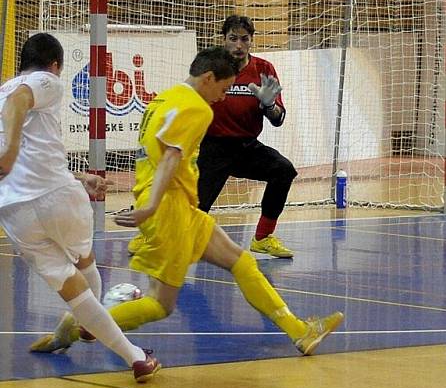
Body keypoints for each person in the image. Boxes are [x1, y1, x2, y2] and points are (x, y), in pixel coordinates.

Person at [31, 46, 343, 355]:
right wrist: (151, 207)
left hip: (180, 207)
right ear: (209, 78)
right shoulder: (197, 108)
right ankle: (78, 326)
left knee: (241, 261)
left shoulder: (165, 98)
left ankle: (300, 332)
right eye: (223, 88)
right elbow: (170, 156)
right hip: (168, 209)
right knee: (159, 304)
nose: (222, 97)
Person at [1, 33, 160, 382]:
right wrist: (11, 151)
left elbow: (29, 147)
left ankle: (132, 355)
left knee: (72, 290)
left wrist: (79, 175)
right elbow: (19, 99)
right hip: (57, 198)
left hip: (15, 212)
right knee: (85, 263)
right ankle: (94, 326)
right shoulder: (43, 81)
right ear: (55, 65)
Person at [197, 15, 297, 259]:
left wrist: (269, 104)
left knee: (283, 170)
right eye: (233, 39)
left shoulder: (263, 70)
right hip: (213, 147)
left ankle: (263, 238)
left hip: (246, 147)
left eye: (244, 39)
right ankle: (153, 236)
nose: (238, 45)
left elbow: (278, 119)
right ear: (223, 40)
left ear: (251, 41)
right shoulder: (210, 68)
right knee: (194, 209)